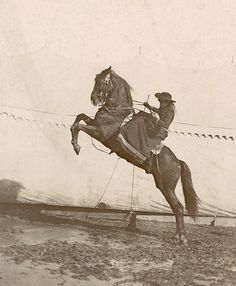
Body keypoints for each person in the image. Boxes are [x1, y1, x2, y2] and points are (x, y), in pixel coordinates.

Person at [143, 92, 176, 173]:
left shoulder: (170, 110)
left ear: (167, 102)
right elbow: (158, 111)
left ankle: (148, 161)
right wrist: (149, 107)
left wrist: (155, 120)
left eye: (162, 101)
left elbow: (165, 124)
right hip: (157, 128)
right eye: (160, 101)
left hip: (161, 131)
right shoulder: (164, 107)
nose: (160, 103)